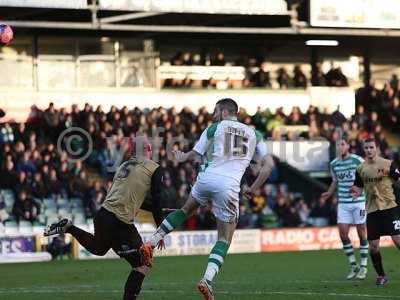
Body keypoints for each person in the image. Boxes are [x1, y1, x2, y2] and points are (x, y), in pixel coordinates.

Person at [141, 98, 274, 300]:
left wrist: (180, 156)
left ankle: (151, 242)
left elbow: (194, 155)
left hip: (207, 178)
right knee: (224, 238)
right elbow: (269, 166)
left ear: (223, 112)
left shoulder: (214, 128)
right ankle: (207, 280)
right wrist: (253, 188)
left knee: (185, 211)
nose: (213, 114)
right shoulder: (255, 134)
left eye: (215, 111)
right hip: (229, 186)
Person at [44, 139, 165, 300]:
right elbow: (156, 200)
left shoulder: (124, 166)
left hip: (103, 215)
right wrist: (161, 229)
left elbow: (136, 200)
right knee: (142, 264)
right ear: (147, 150)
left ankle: (69, 227)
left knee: (99, 248)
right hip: (119, 221)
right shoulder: (154, 168)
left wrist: (158, 209)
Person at [351, 138, 400, 286]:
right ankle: (381, 275)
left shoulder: (388, 164)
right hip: (372, 210)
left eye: (371, 147)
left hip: (389, 207)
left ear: (376, 148)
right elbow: (358, 188)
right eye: (366, 148)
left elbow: (398, 179)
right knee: (373, 245)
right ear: (364, 150)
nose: (369, 150)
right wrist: (354, 192)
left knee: (397, 240)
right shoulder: (360, 169)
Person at [321, 137, 368, 280]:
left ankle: (364, 266)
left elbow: (367, 177)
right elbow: (335, 181)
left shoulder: (357, 160)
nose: (340, 147)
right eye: (338, 145)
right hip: (343, 203)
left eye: (342, 144)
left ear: (348, 146)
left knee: (362, 232)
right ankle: (354, 266)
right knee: (342, 234)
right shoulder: (334, 164)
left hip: (359, 201)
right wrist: (329, 192)